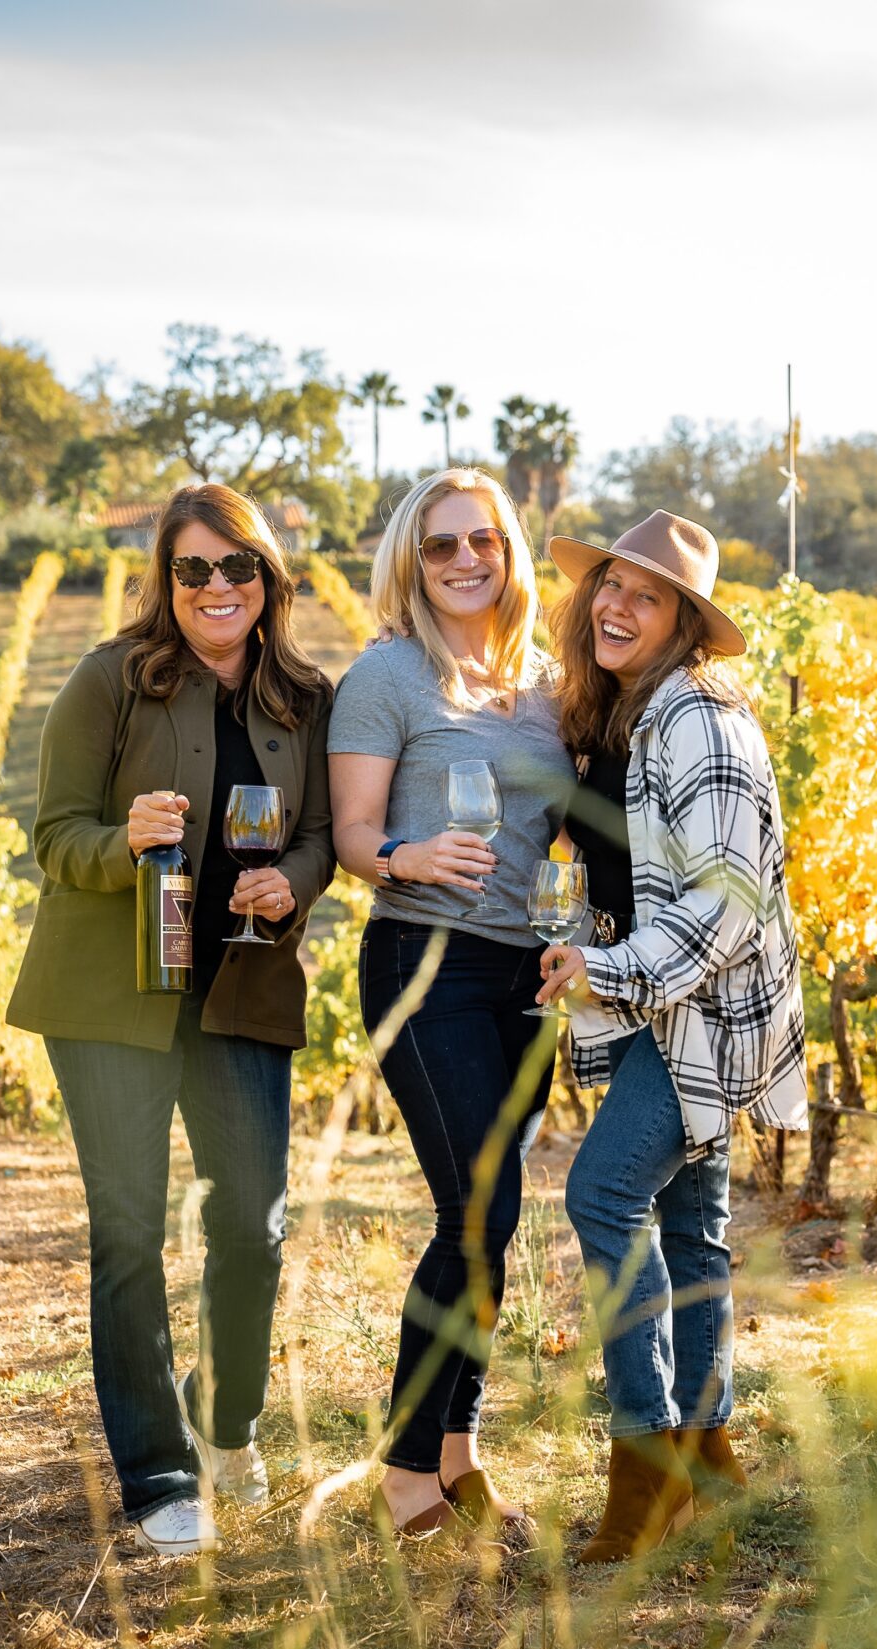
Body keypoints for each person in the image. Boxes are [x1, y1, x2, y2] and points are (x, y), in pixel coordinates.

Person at [4, 483, 334, 1558]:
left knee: (252, 1222)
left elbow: (322, 835)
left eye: (238, 566)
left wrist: (289, 881)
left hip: (240, 985)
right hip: (110, 997)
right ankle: (155, 1474)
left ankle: (226, 1420)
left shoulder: (303, 697)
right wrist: (125, 838)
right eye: (193, 569)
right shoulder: (110, 680)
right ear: (166, 578)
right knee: (130, 1232)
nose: (217, 587)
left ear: (267, 576)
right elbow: (54, 835)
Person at [535, 510, 808, 1564]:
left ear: (684, 622)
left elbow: (726, 904)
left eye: (643, 595)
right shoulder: (623, 714)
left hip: (701, 1012)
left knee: (601, 1192)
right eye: (607, 584)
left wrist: (607, 970)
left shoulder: (700, 719)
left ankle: (645, 1464)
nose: (613, 603)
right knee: (690, 1227)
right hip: (661, 1004)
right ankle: (710, 1459)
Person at [327, 467, 572, 1546]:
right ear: (410, 562)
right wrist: (406, 853)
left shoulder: (546, 685)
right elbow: (348, 833)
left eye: (483, 540)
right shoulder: (386, 675)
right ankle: (404, 1471)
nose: (466, 560)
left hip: (524, 975)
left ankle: (460, 1451)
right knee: (472, 1209)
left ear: (510, 549)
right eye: (441, 547)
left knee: (499, 1219)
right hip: (423, 960)